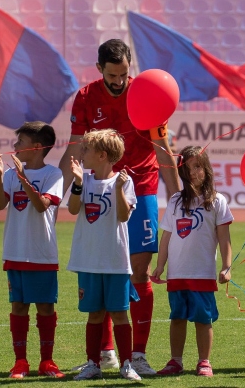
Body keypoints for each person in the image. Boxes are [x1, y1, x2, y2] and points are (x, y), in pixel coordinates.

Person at [58, 39, 179, 376]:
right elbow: (76, 150)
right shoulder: (85, 98)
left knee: (139, 270)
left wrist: (177, 197)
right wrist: (55, 193)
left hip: (142, 186)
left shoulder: (145, 91)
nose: (118, 81)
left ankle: (138, 355)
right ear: (100, 69)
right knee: (103, 267)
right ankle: (106, 351)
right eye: (112, 75)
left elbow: (162, 146)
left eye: (124, 74)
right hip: (100, 191)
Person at [0, 121, 64, 379]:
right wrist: (0, 174)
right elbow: (0, 204)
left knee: (45, 307)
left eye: (19, 142)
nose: (15, 146)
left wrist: (23, 179)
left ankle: (47, 361)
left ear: (35, 147)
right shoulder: (11, 174)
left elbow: (42, 205)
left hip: (42, 252)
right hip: (15, 251)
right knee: (19, 306)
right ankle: (20, 362)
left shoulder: (53, 175)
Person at [66, 129, 141, 381]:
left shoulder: (124, 181)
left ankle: (127, 365)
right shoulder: (84, 181)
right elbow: (73, 209)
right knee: (94, 314)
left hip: (115, 260)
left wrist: (118, 188)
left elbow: (122, 216)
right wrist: (77, 183)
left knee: (120, 313)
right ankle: (92, 364)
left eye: (86, 150)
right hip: (88, 260)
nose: (82, 154)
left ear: (102, 155)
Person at [152, 146, 233, 377]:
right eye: (187, 169)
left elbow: (224, 238)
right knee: (177, 317)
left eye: (197, 166)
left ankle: (204, 361)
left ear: (206, 167)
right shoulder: (176, 201)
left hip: (203, 273)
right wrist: (160, 266)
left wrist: (227, 266)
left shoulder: (217, 201)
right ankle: (175, 361)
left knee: (202, 319)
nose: (193, 172)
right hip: (177, 273)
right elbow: (166, 236)